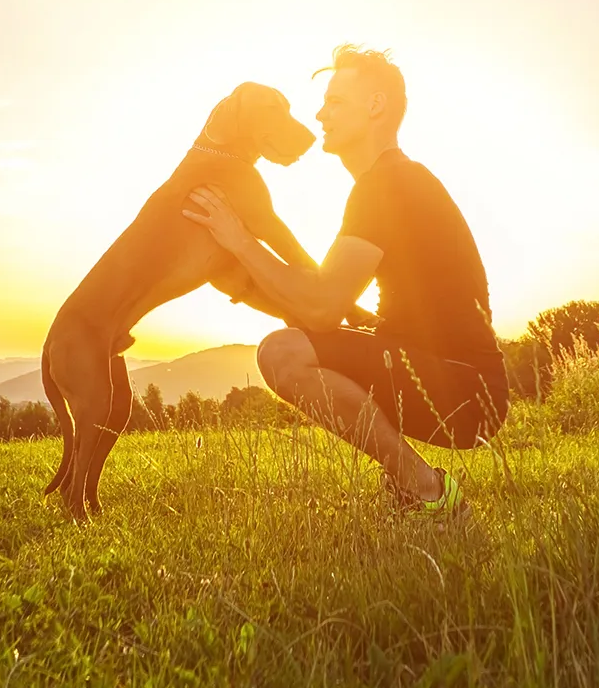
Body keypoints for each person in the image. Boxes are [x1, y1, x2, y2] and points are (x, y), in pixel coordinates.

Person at [183, 45, 507, 517]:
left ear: (375, 106)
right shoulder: (384, 184)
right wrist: (247, 279)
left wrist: (239, 241)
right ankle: (415, 487)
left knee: (282, 352)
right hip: (440, 378)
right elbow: (321, 297)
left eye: (335, 102)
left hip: (466, 391)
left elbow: (319, 307)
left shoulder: (389, 184)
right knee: (299, 339)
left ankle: (429, 493)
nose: (320, 113)